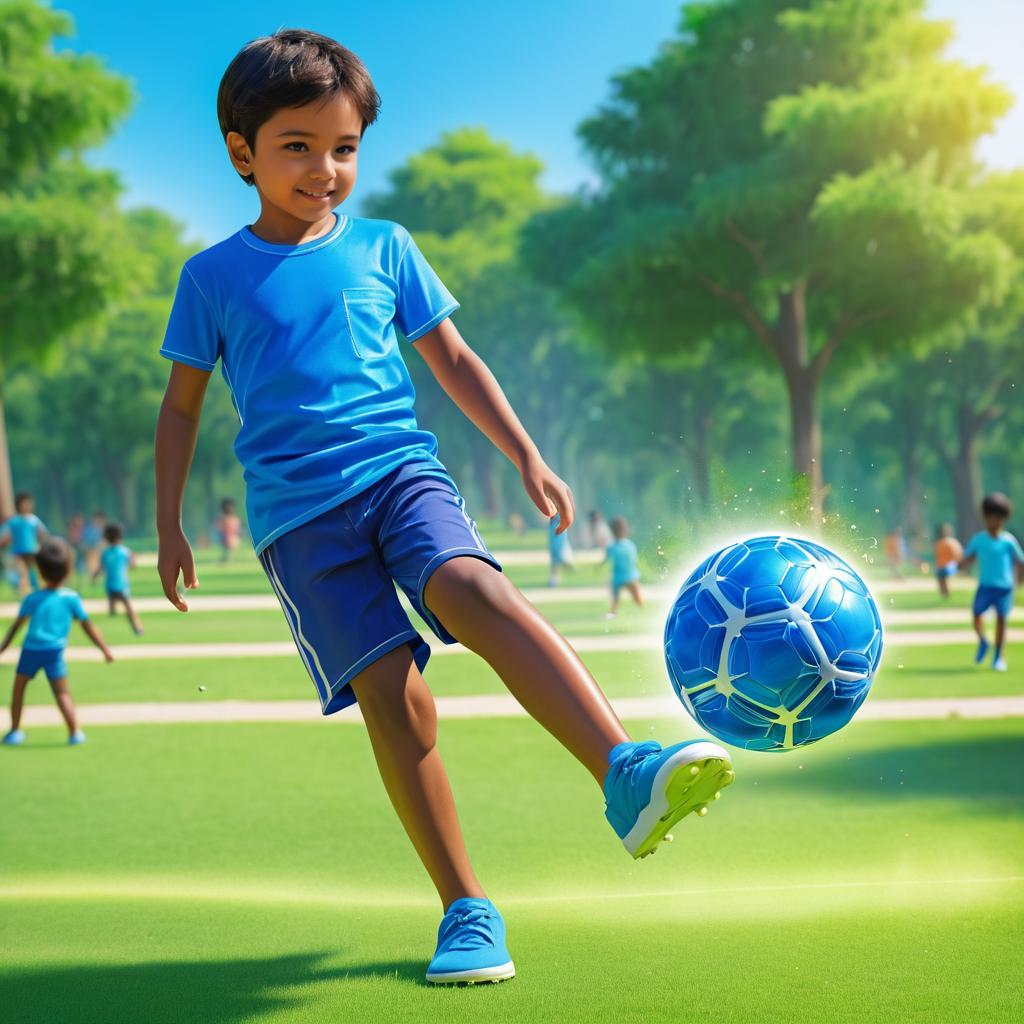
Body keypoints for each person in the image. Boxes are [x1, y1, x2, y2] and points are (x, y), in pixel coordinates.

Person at [153, 29, 736, 987]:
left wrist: (527, 454)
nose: (324, 169)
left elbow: (455, 362)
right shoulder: (212, 277)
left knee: (472, 585)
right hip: (298, 521)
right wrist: (172, 523)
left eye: (343, 148)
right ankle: (466, 909)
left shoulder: (386, 248)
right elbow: (180, 409)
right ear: (240, 149)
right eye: (297, 145)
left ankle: (624, 772)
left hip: (399, 474)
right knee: (398, 697)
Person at [0, 537, 114, 746]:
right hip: (54, 652)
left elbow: (16, 627)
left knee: (18, 691)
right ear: (68, 570)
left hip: (31, 651)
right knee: (62, 693)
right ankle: (75, 733)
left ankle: (15, 732)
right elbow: (87, 626)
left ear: (40, 571)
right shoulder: (71, 598)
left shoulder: (32, 599)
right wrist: (105, 649)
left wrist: (3, 647)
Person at [958, 492, 1024, 672]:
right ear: (986, 518)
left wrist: (1019, 580)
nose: (995, 522)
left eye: (999, 519)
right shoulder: (979, 540)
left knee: (1001, 621)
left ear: (1004, 519)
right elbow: (968, 559)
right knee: (977, 616)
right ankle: (983, 641)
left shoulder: (1008, 540)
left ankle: (998, 657)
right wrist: (960, 565)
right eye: (991, 518)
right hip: (985, 586)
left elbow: (1020, 561)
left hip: (1004, 588)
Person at [93, 522, 143, 636]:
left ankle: (135, 628)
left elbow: (101, 569)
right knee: (129, 609)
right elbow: (132, 566)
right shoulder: (124, 551)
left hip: (111, 586)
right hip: (121, 585)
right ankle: (137, 628)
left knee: (115, 609)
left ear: (106, 537)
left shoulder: (106, 553)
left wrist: (94, 576)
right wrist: (134, 559)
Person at [0, 491, 48, 595]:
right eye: (24, 504)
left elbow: (43, 533)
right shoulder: (14, 521)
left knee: (36, 572)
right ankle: (23, 593)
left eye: (28, 504)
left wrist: (44, 544)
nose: (27, 506)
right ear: (18, 505)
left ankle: (39, 590)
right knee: (23, 573)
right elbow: (5, 535)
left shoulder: (33, 520)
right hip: (18, 552)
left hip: (32, 550)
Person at [598, 516, 643, 618]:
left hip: (619, 577)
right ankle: (640, 608)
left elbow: (606, 558)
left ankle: (613, 612)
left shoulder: (612, 546)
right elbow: (634, 559)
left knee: (615, 598)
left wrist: (599, 566)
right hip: (630, 575)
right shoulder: (630, 545)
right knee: (636, 596)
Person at [933, 523, 963, 599]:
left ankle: (945, 592)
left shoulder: (946, 542)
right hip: (945, 567)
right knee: (940, 573)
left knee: (941, 573)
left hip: (948, 567)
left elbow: (957, 556)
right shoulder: (950, 542)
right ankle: (945, 593)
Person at [547, 511, 575, 587]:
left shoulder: (558, 518)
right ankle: (553, 580)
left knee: (558, 560)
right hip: (555, 542)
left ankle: (554, 580)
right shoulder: (554, 519)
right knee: (555, 562)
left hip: (558, 542)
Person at [214, 498, 242, 563]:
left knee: (229, 550)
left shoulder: (233, 519)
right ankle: (226, 558)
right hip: (228, 541)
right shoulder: (224, 519)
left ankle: (226, 558)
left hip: (231, 541)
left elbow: (236, 530)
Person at [81, 509, 106, 579]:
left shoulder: (104, 530)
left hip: (101, 552)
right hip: (90, 553)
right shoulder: (88, 530)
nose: (98, 521)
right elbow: (83, 543)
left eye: (100, 519)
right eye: (97, 519)